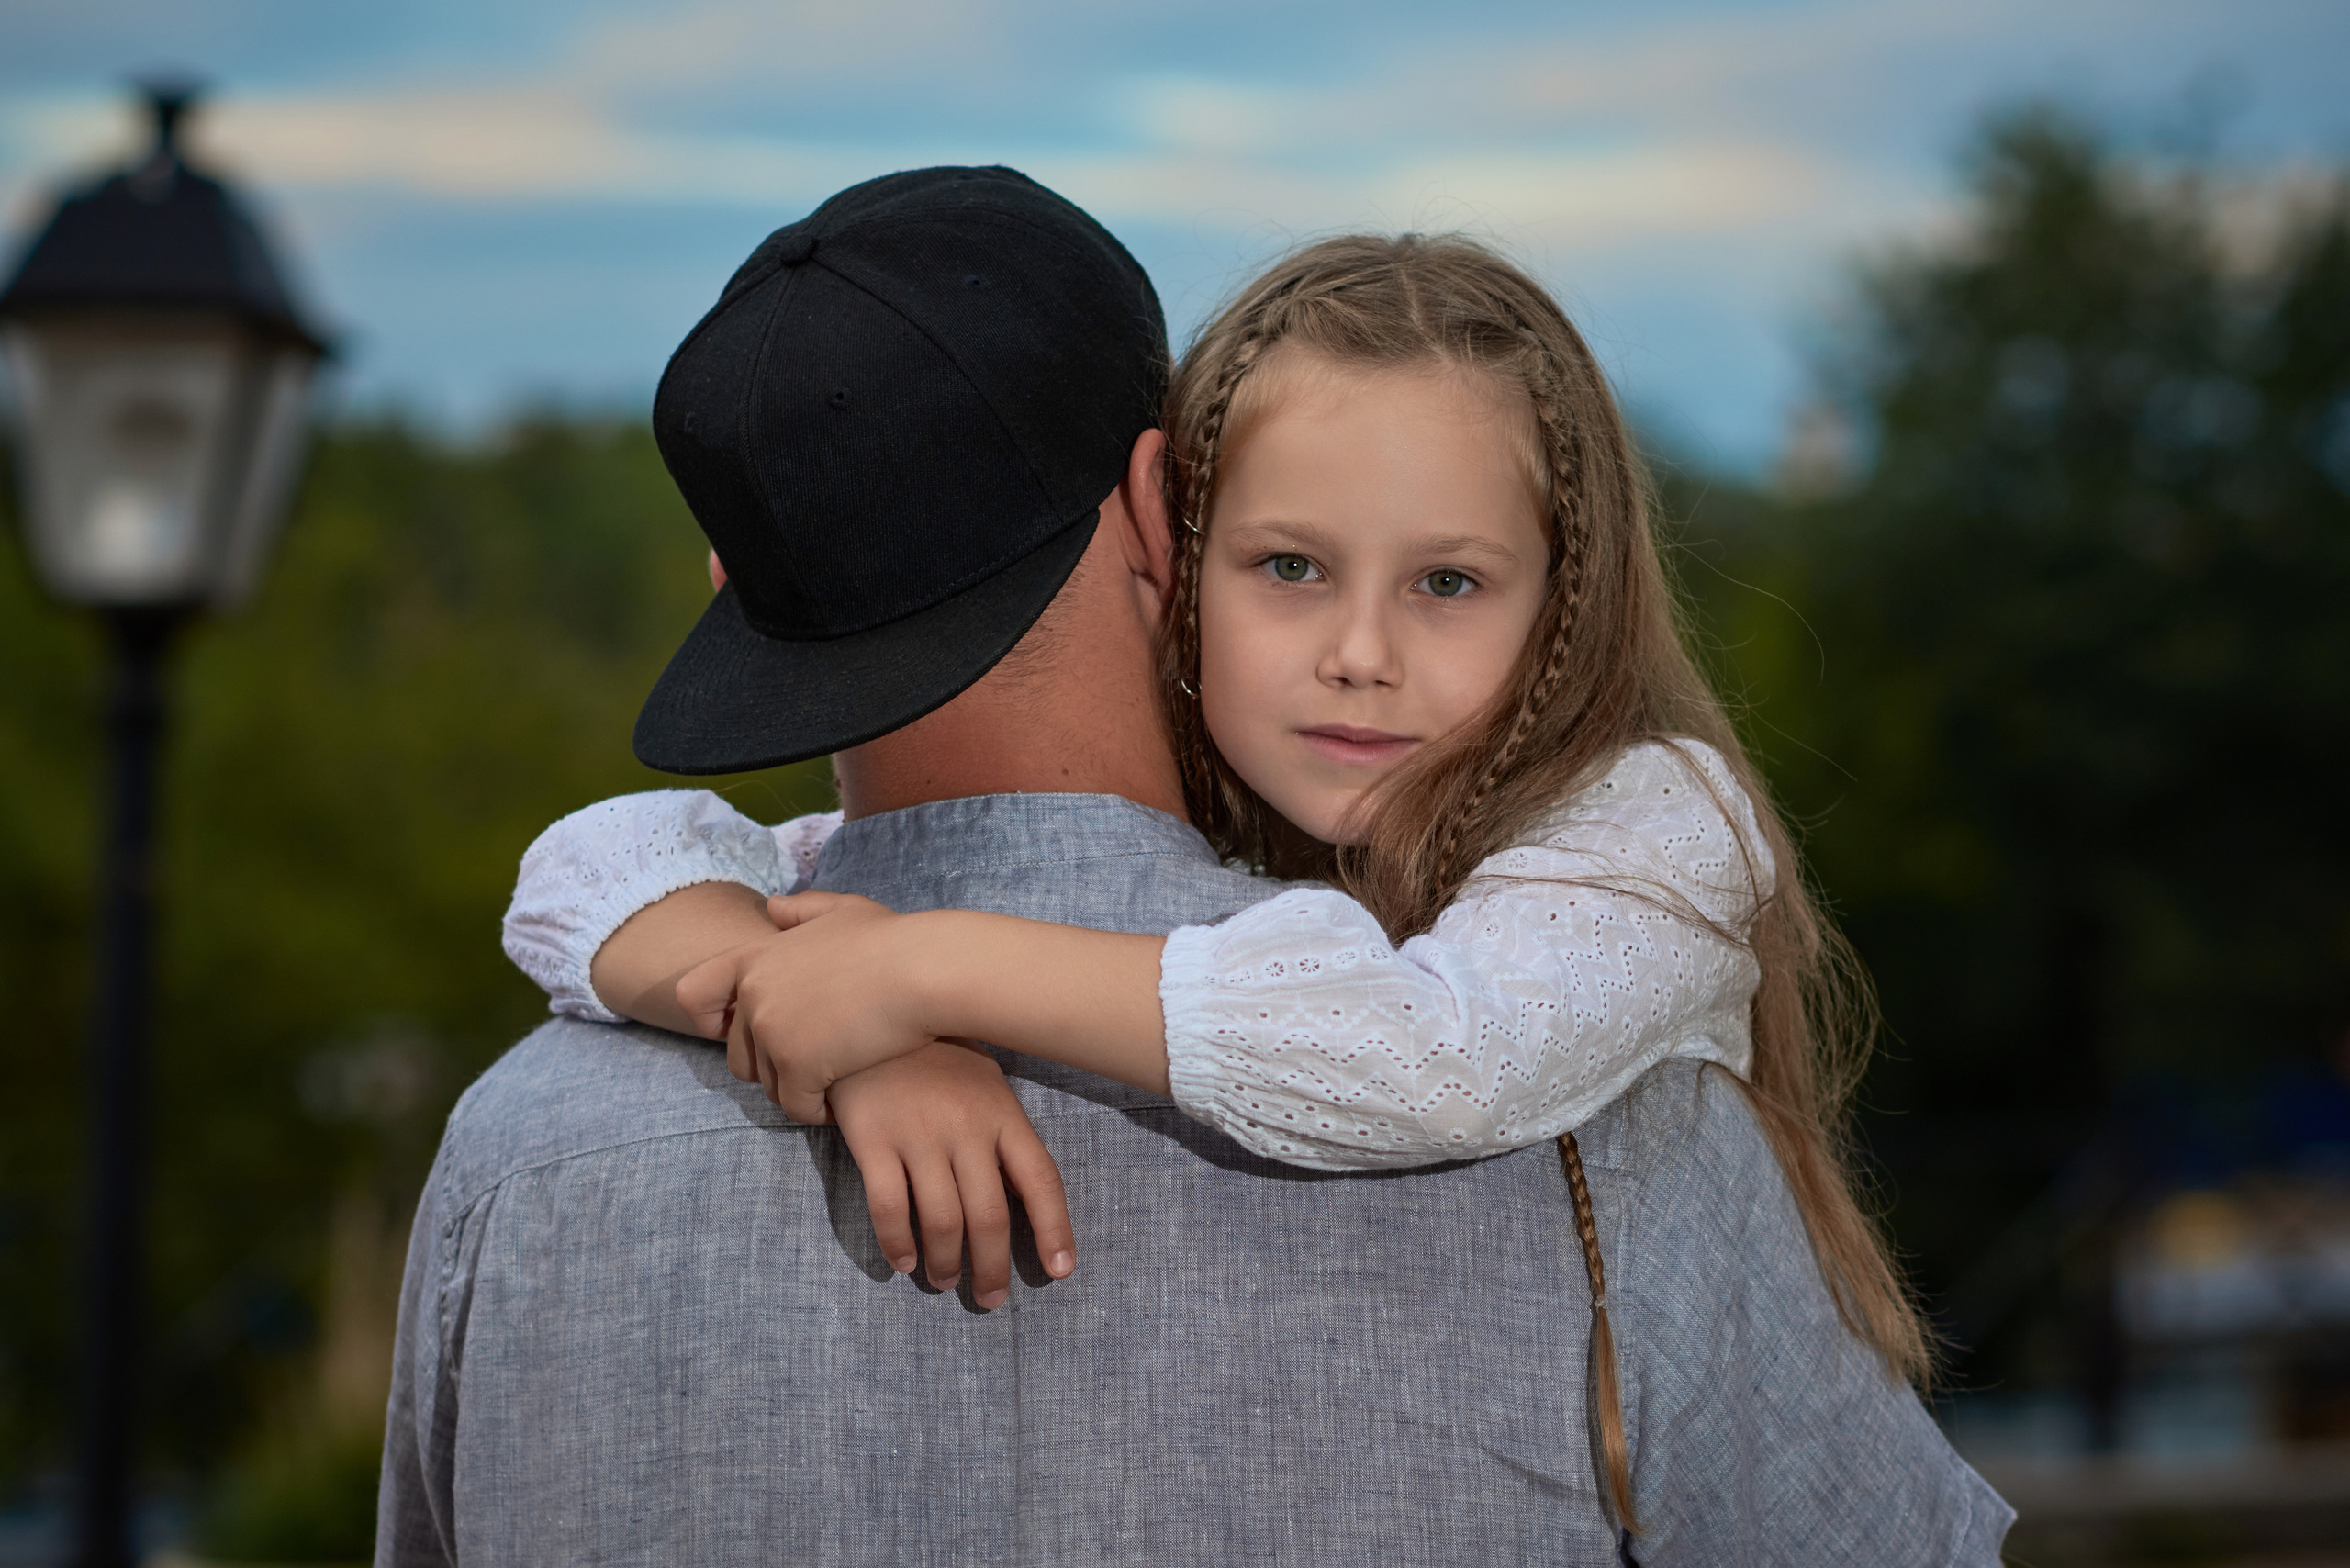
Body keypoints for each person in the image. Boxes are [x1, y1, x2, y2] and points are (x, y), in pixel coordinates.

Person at [386, 166, 2010, 1564]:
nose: (1361, 653)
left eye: (1446, 582)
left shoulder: (514, 1165)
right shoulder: (1597, 1131)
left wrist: (862, 985)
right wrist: (839, 997)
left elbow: (607, 857)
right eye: (1294, 565)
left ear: (731, 576)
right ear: (1169, 504)